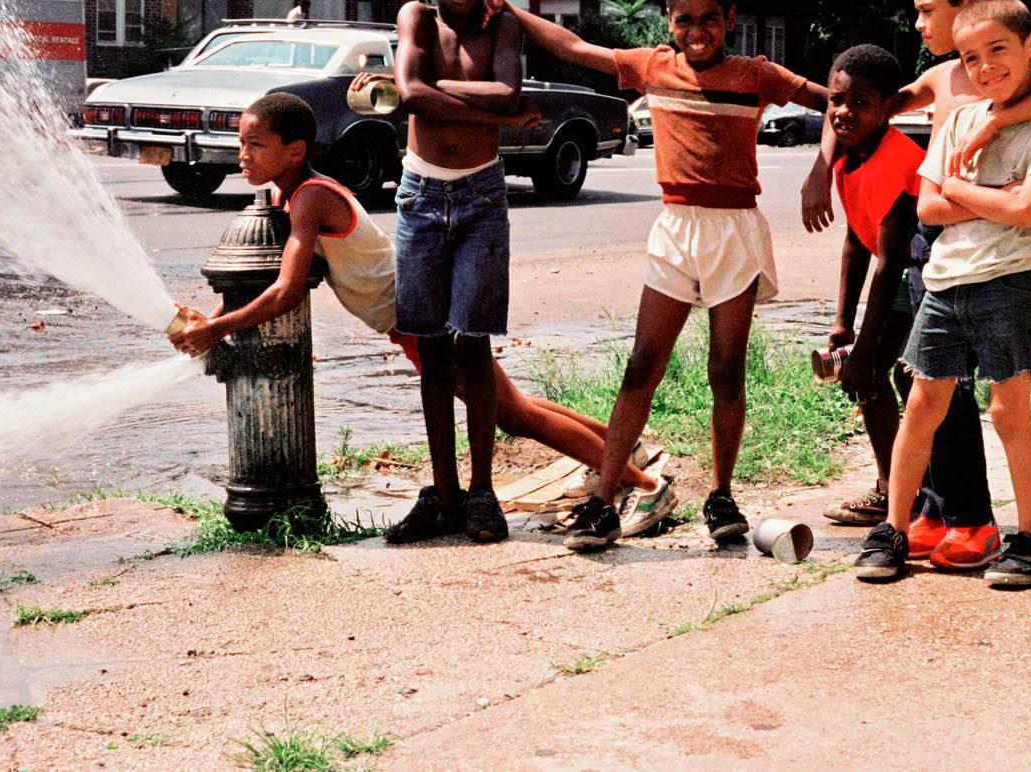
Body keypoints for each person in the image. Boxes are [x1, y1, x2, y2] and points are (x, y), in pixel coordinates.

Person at [167, 94, 668, 542]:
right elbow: (267, 280)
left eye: (255, 144)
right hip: (414, 314)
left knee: (513, 416)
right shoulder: (292, 195)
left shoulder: (309, 199)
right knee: (509, 402)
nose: (243, 155)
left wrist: (215, 328)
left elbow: (285, 292)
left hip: (422, 315)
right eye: (241, 143)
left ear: (295, 149)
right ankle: (628, 450)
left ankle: (644, 486)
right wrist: (213, 317)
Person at [506, 0, 827, 552]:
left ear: (731, 20)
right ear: (669, 22)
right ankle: (603, 503)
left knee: (725, 371)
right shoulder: (654, 66)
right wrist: (506, 8)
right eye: (685, 21)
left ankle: (722, 495)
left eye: (710, 19)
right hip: (676, 229)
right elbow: (576, 47)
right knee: (642, 366)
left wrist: (821, 172)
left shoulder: (757, 75)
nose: (697, 31)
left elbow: (837, 104)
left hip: (734, 231)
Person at [804, 0, 1031, 571]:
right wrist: (822, 165)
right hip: (940, 250)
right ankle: (924, 513)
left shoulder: (1022, 82)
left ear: (969, 8)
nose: (917, 23)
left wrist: (989, 128)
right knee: (924, 389)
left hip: (997, 260)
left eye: (926, 9)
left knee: (980, 401)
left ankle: (979, 521)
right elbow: (857, 103)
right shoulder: (939, 79)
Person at [821, 45, 921, 521]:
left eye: (860, 103)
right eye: (837, 100)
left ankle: (899, 491)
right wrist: (843, 324)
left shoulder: (893, 160)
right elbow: (856, 241)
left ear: (888, 107)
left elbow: (888, 265)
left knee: (886, 376)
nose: (844, 111)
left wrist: (862, 351)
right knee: (881, 379)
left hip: (919, 279)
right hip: (896, 276)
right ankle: (899, 486)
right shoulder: (848, 156)